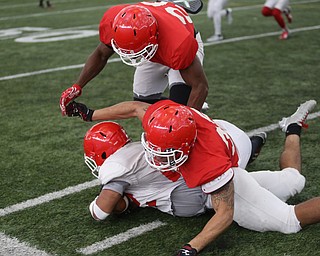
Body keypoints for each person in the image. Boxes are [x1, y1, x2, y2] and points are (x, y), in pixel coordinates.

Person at [67, 99, 319, 255]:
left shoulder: (206, 164)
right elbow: (135, 108)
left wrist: (190, 248)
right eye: (153, 146)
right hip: (224, 145)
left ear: (186, 147)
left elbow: (224, 215)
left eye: (166, 152)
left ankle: (275, 136)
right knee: (293, 181)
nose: (155, 156)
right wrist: (90, 113)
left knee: (288, 221)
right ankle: (292, 127)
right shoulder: (166, 120)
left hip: (228, 174)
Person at [59, 1, 208, 118]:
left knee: (179, 113)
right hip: (155, 45)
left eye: (137, 50)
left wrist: (189, 118)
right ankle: (176, 107)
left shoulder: (178, 45)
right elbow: (101, 54)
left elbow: (201, 86)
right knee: (143, 100)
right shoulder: (118, 21)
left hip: (177, 45)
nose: (133, 54)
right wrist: (78, 86)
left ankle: (187, 109)